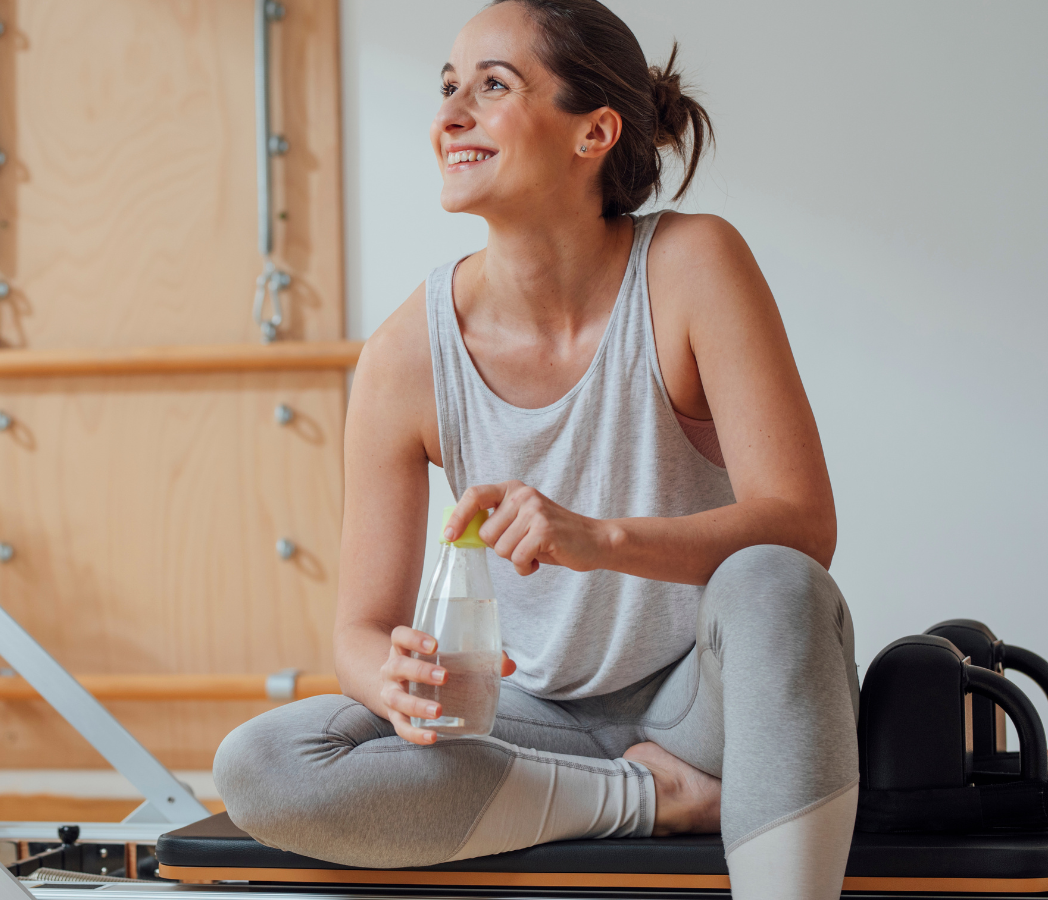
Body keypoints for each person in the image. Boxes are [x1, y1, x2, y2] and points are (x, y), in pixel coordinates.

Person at [212, 2, 860, 898]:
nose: (449, 115)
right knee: (263, 761)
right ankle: (648, 800)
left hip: (699, 708)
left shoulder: (692, 266)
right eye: (447, 88)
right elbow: (359, 634)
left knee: (776, 583)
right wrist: (397, 680)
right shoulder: (406, 354)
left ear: (594, 131)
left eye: (492, 86)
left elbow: (803, 528)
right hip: (520, 719)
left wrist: (598, 540)